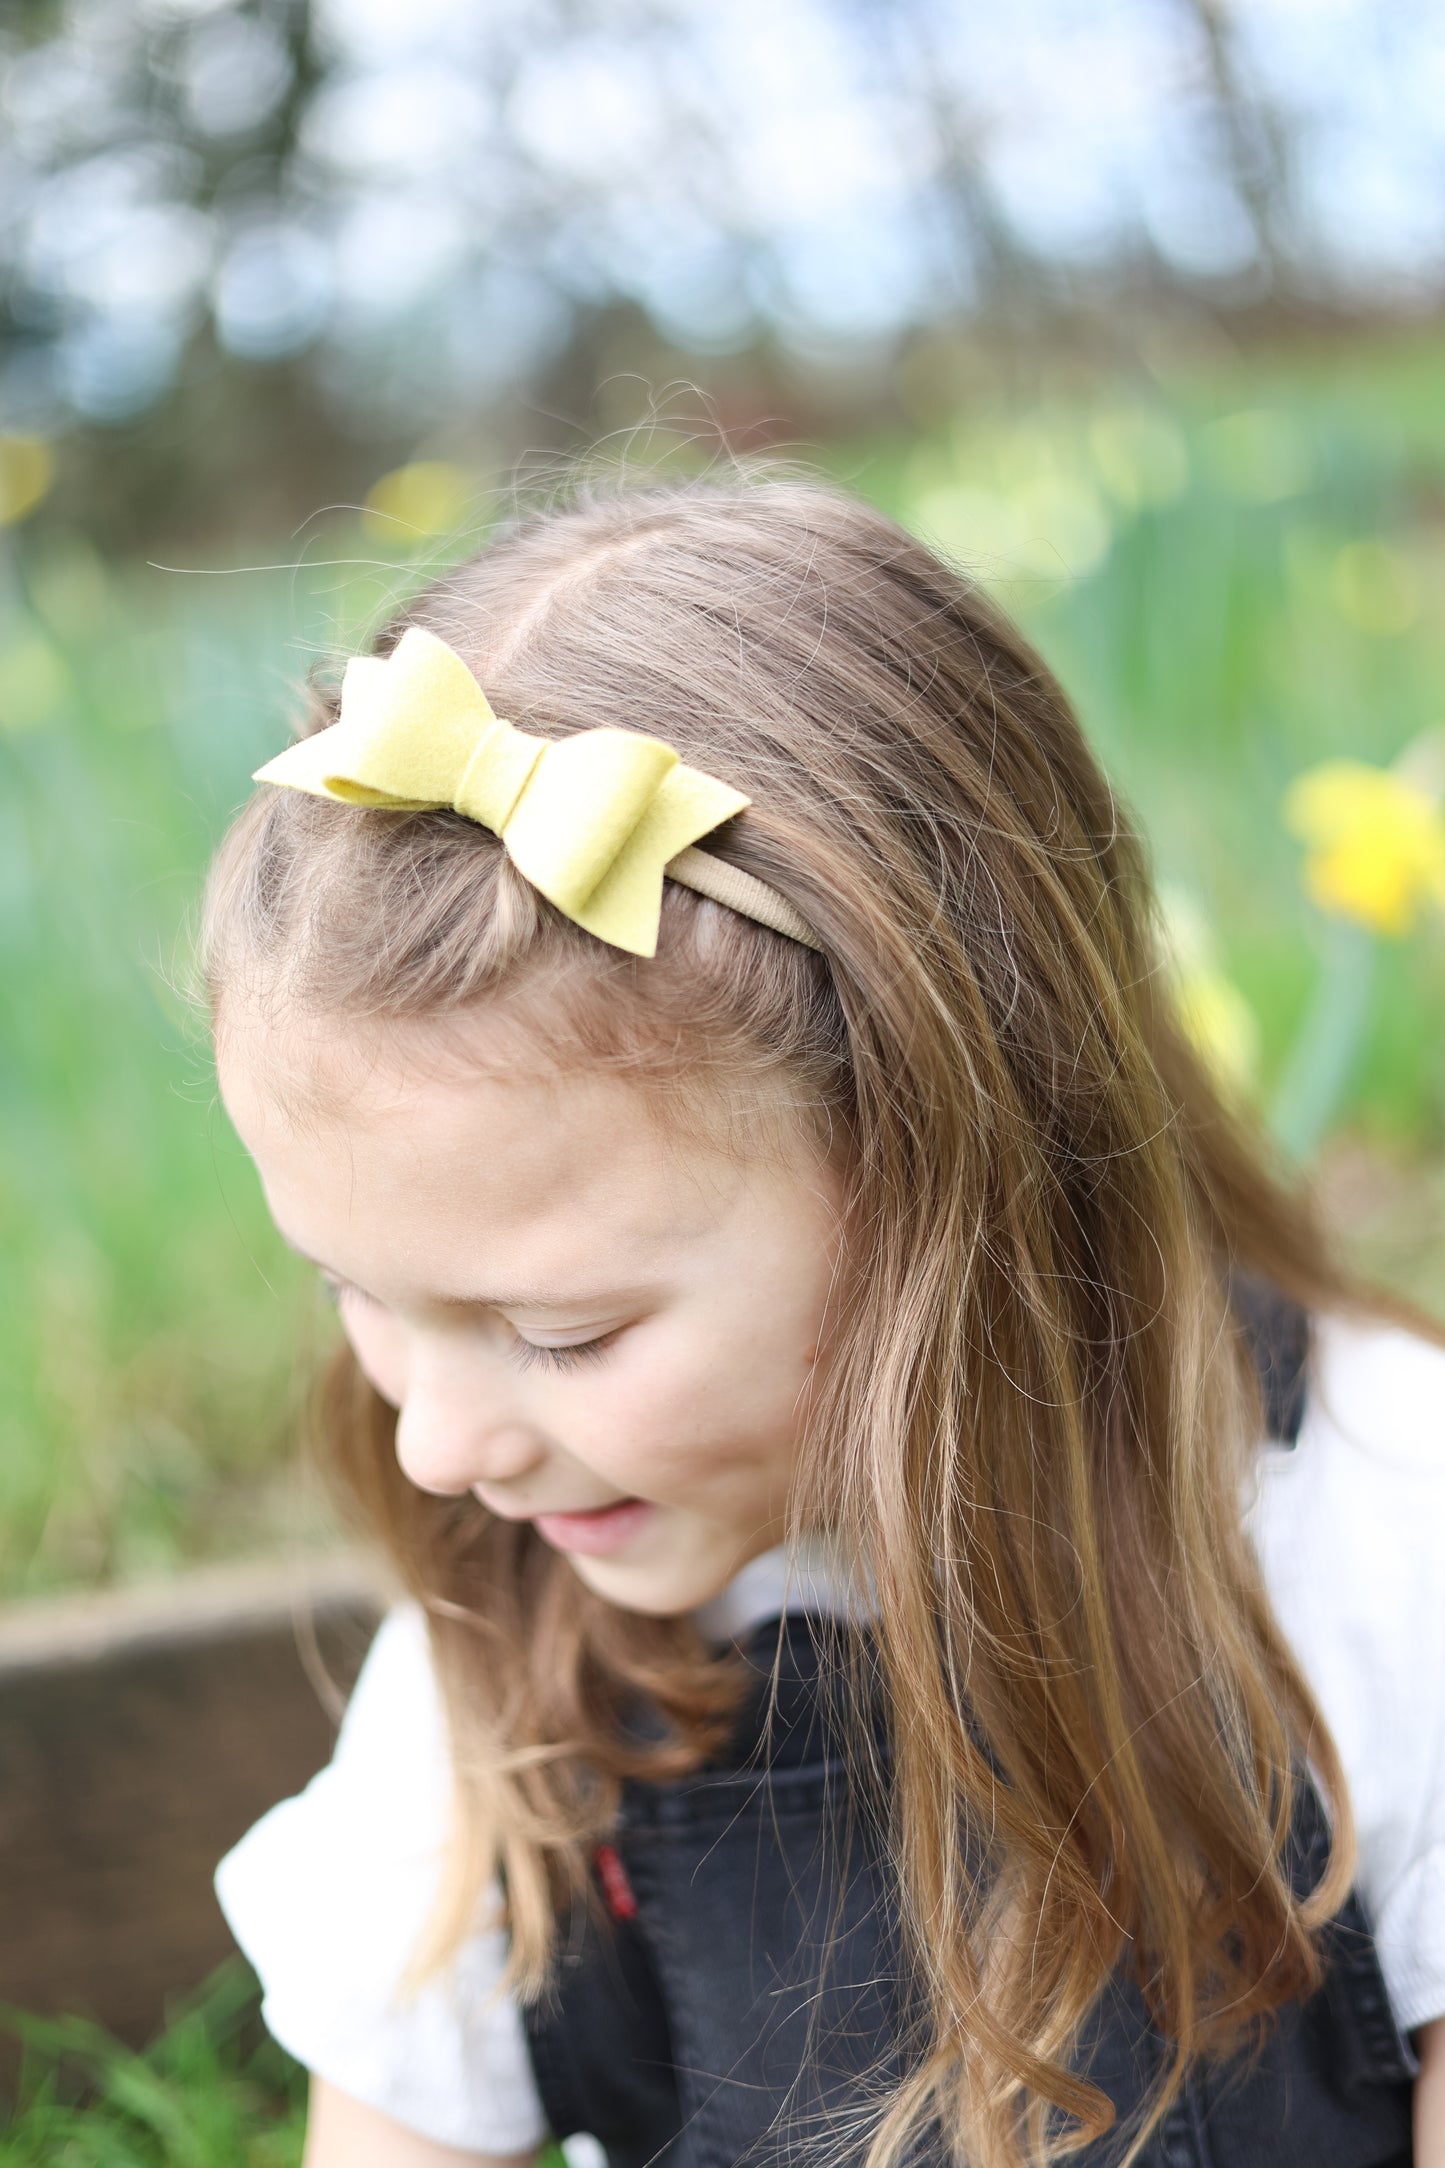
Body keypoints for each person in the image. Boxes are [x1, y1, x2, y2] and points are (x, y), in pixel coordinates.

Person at [204, 475, 1445, 2168]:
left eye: (563, 1332)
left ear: (962, 1175)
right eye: (351, 1290)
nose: (433, 1444)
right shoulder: (511, 1654)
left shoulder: (1381, 1540)